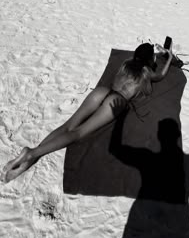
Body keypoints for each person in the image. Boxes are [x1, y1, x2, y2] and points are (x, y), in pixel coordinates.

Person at [1, 42, 173, 183]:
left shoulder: (127, 63)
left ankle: (31, 157)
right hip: (116, 101)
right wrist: (169, 55)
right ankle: (31, 153)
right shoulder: (147, 72)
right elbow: (162, 74)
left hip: (102, 92)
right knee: (78, 133)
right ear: (150, 59)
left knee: (68, 125)